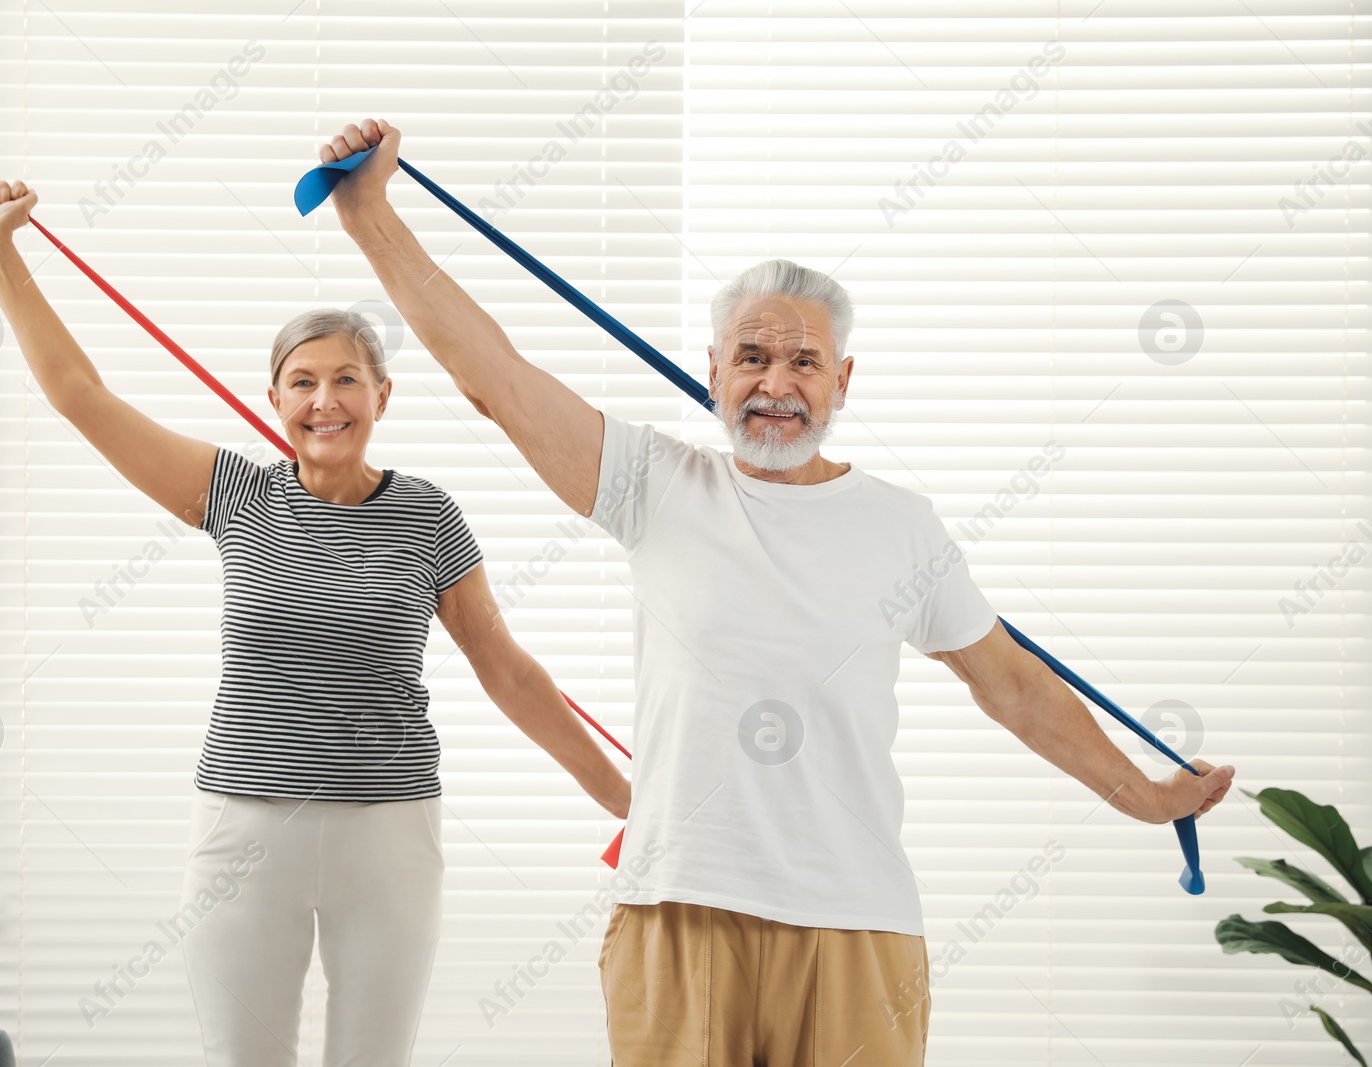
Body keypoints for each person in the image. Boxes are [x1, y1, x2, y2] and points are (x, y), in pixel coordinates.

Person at [316, 119, 1239, 1067]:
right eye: (751, 357)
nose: (776, 383)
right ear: (714, 371)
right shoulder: (653, 483)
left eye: (803, 361)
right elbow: (495, 380)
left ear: (842, 380)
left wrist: (1143, 795)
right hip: (679, 911)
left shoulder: (902, 525)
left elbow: (1010, 684)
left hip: (856, 920)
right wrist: (370, 214)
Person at [0, 179, 631, 1067]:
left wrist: (630, 801)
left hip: (389, 831)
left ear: (383, 396)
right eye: (303, 381)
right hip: (246, 827)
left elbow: (504, 668)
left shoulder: (428, 514)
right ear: (275, 398)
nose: (326, 401)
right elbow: (80, 394)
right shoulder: (236, 494)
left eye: (346, 379)